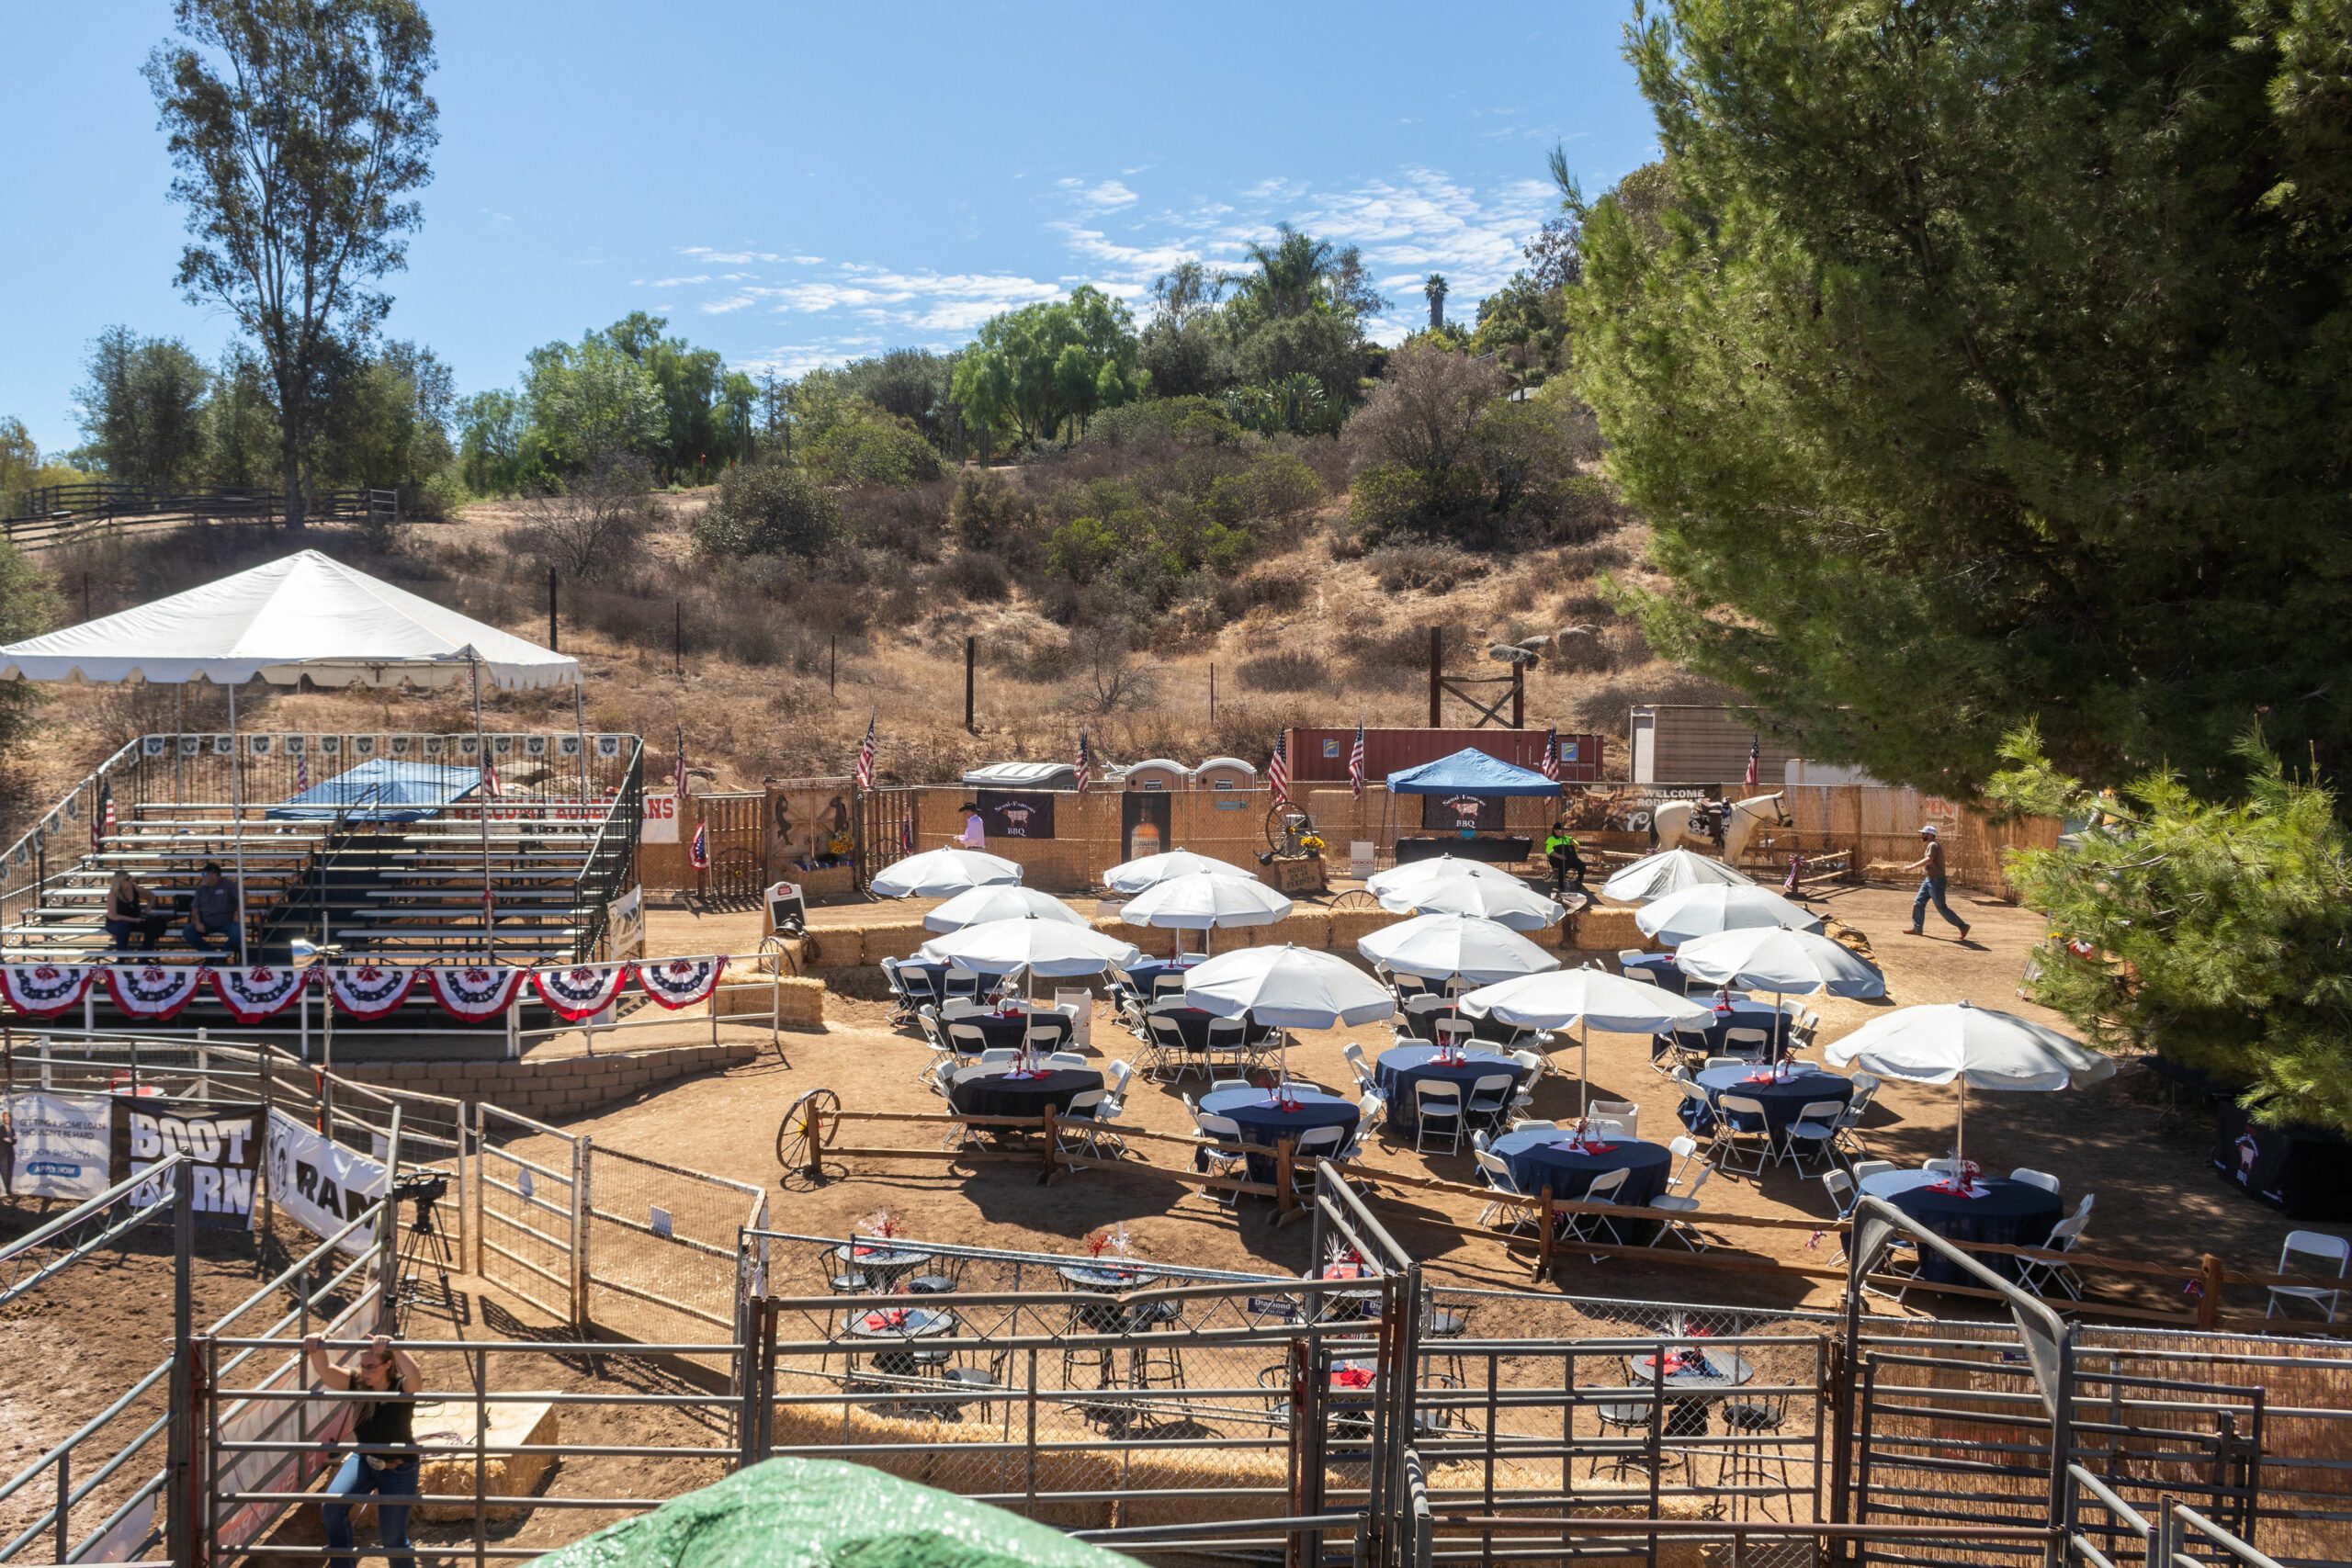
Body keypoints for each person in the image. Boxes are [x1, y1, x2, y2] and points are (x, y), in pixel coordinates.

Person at [305, 1329, 424, 1568]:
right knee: (332, 1505)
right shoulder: (357, 1383)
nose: (365, 1371)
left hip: (399, 1467)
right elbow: (326, 1372)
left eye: (371, 1366)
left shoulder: (401, 1386)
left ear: (387, 1364)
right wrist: (314, 1344)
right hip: (365, 1458)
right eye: (362, 1365)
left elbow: (416, 1376)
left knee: (393, 1538)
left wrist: (396, 1346)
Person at [1901, 825, 1969, 941]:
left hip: (1936, 881)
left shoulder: (1933, 844)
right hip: (1929, 880)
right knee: (1918, 902)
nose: (1922, 835)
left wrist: (1912, 866)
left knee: (1941, 907)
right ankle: (1917, 928)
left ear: (1930, 835)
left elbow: (1929, 860)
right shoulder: (1931, 845)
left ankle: (1963, 926)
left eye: (1924, 833)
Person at [182, 862, 241, 955]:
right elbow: (195, 908)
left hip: (227, 922)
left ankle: (224, 955)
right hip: (206, 922)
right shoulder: (201, 889)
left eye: (205, 874)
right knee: (188, 931)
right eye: (202, 874)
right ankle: (210, 954)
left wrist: (237, 913)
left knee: (238, 932)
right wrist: (197, 922)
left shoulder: (228, 884)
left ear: (214, 875)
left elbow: (243, 896)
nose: (203, 876)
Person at [103, 870, 164, 952]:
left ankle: (145, 954)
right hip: (117, 922)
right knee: (123, 926)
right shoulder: (112, 894)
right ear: (120, 881)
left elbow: (151, 896)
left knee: (155, 924)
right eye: (127, 879)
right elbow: (113, 916)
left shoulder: (134, 887)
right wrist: (134, 920)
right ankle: (122, 955)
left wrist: (146, 912)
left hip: (134, 919)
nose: (130, 880)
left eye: (130, 878)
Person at [1543, 821, 1587, 895]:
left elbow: (1577, 849)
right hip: (1557, 859)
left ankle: (1579, 881)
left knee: (1582, 865)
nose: (1563, 831)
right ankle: (1561, 884)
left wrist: (1575, 843)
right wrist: (1560, 856)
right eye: (1561, 830)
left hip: (1571, 859)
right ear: (1555, 830)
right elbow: (1549, 851)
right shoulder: (1551, 839)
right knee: (1564, 865)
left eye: (1564, 830)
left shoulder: (1568, 838)